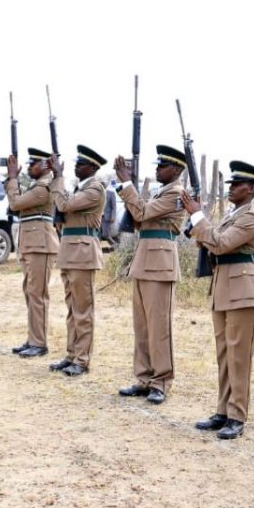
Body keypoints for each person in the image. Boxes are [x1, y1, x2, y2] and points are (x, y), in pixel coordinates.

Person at [185, 161, 254, 438]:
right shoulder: (232, 215)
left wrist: (199, 216)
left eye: (237, 185)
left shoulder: (250, 217)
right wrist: (203, 228)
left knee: (239, 356)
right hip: (225, 287)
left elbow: (221, 243)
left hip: (244, 290)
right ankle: (223, 410)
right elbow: (209, 239)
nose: (231, 189)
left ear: (251, 189)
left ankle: (237, 415)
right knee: (224, 354)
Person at [113, 145, 187, 405]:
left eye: (162, 165)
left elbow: (142, 213)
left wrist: (127, 183)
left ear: (176, 169)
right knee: (142, 326)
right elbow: (138, 218)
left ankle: (161, 381)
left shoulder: (176, 193)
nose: (157, 169)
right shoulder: (161, 192)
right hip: (145, 261)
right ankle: (144, 378)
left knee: (159, 328)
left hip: (160, 264)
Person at [48, 145, 107, 376]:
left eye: (81, 164)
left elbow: (64, 205)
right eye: (77, 162)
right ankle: (71, 354)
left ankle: (82, 359)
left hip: (83, 254)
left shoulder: (95, 189)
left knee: (83, 310)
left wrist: (58, 177)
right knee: (72, 308)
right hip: (70, 252)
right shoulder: (78, 188)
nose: (76, 166)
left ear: (93, 167)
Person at [6, 147, 60, 358]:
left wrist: (12, 179)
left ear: (46, 165)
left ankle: (39, 343)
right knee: (30, 293)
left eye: (33, 163)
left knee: (37, 294)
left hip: (41, 245)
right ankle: (33, 338)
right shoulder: (36, 186)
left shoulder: (43, 187)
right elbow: (16, 205)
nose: (28, 167)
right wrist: (13, 182)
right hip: (31, 244)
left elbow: (16, 203)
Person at [100, 182, 119, 251]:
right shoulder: (97, 194)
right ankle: (96, 249)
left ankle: (115, 244)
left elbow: (114, 206)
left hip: (106, 217)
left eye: (102, 185)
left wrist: (113, 216)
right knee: (97, 234)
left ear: (105, 186)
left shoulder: (111, 193)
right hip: (98, 217)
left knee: (105, 234)